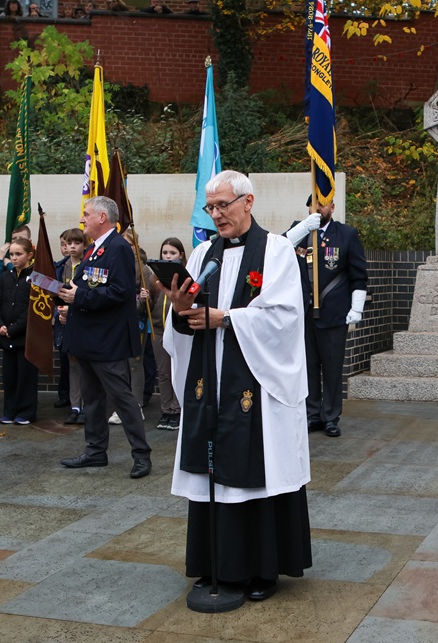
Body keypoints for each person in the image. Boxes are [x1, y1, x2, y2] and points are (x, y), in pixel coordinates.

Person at [162, 170, 311, 605]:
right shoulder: (203, 253)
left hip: (257, 382)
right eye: (210, 207)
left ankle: (263, 569)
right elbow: (183, 323)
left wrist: (226, 318)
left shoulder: (276, 251)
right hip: (209, 379)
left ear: (248, 201)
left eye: (223, 205)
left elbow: (285, 316)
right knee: (212, 471)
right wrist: (180, 309)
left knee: (255, 471)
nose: (216, 214)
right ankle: (214, 565)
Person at [58, 196, 152, 479]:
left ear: (102, 217)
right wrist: (70, 300)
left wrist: (80, 297)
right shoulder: (95, 249)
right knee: (93, 399)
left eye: (86, 214)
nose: (82, 219)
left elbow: (120, 292)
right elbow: (92, 287)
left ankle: (141, 455)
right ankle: (95, 451)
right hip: (87, 337)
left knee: (122, 398)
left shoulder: (119, 248)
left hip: (107, 340)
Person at [284, 195, 368, 437]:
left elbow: (358, 275)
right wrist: (303, 228)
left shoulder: (346, 234)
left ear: (332, 207)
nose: (318, 208)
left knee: (332, 368)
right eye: (313, 204)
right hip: (304, 313)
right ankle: (312, 414)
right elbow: (276, 250)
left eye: (322, 204)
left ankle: (331, 416)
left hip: (334, 313)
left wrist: (357, 308)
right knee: (308, 367)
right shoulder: (299, 231)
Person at [107, 232, 155, 425]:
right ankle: (122, 406)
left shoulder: (143, 270)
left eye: (129, 244)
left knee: (135, 364)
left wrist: (144, 299)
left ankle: (136, 406)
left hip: (137, 321)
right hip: (116, 321)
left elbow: (149, 302)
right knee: (119, 365)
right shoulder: (113, 263)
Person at [0, 237, 38, 425]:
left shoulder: (35, 277)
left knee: (26, 376)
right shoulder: (6, 277)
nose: (14, 258)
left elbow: (34, 309)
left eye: (18, 254)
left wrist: (14, 328)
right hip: (6, 335)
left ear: (29, 255)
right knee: (9, 377)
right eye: (11, 254)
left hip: (25, 337)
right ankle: (9, 411)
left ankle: (26, 412)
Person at [151, 237, 184, 431]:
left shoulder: (185, 276)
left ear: (181, 255)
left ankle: (177, 409)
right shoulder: (155, 278)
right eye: (165, 253)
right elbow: (149, 305)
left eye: (172, 253)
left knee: (176, 370)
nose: (168, 256)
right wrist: (144, 298)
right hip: (158, 329)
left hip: (177, 330)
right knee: (163, 372)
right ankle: (166, 410)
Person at [54, 227, 86, 419]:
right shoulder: (60, 267)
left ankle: (87, 405)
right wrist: (59, 311)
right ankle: (75, 407)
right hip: (64, 322)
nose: (72, 246)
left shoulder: (88, 265)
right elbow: (53, 294)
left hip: (83, 321)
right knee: (72, 365)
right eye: (68, 243)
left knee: (85, 366)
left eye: (77, 243)